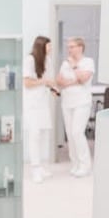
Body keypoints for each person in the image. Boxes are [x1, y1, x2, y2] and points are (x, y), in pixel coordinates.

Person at [56, 36, 95, 177]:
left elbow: (84, 79)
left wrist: (73, 67)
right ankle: (75, 164)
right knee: (70, 135)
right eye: (68, 47)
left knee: (77, 132)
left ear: (80, 47)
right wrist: (75, 80)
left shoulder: (88, 62)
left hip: (82, 102)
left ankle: (85, 166)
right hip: (67, 102)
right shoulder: (65, 63)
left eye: (72, 46)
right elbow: (59, 81)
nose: (69, 49)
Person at [23, 36, 56, 184]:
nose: (50, 49)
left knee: (42, 134)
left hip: (43, 103)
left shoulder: (48, 61)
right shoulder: (29, 60)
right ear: (41, 47)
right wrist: (45, 82)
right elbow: (28, 83)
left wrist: (54, 89)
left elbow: (50, 81)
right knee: (34, 135)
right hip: (32, 104)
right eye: (48, 47)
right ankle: (35, 168)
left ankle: (41, 166)